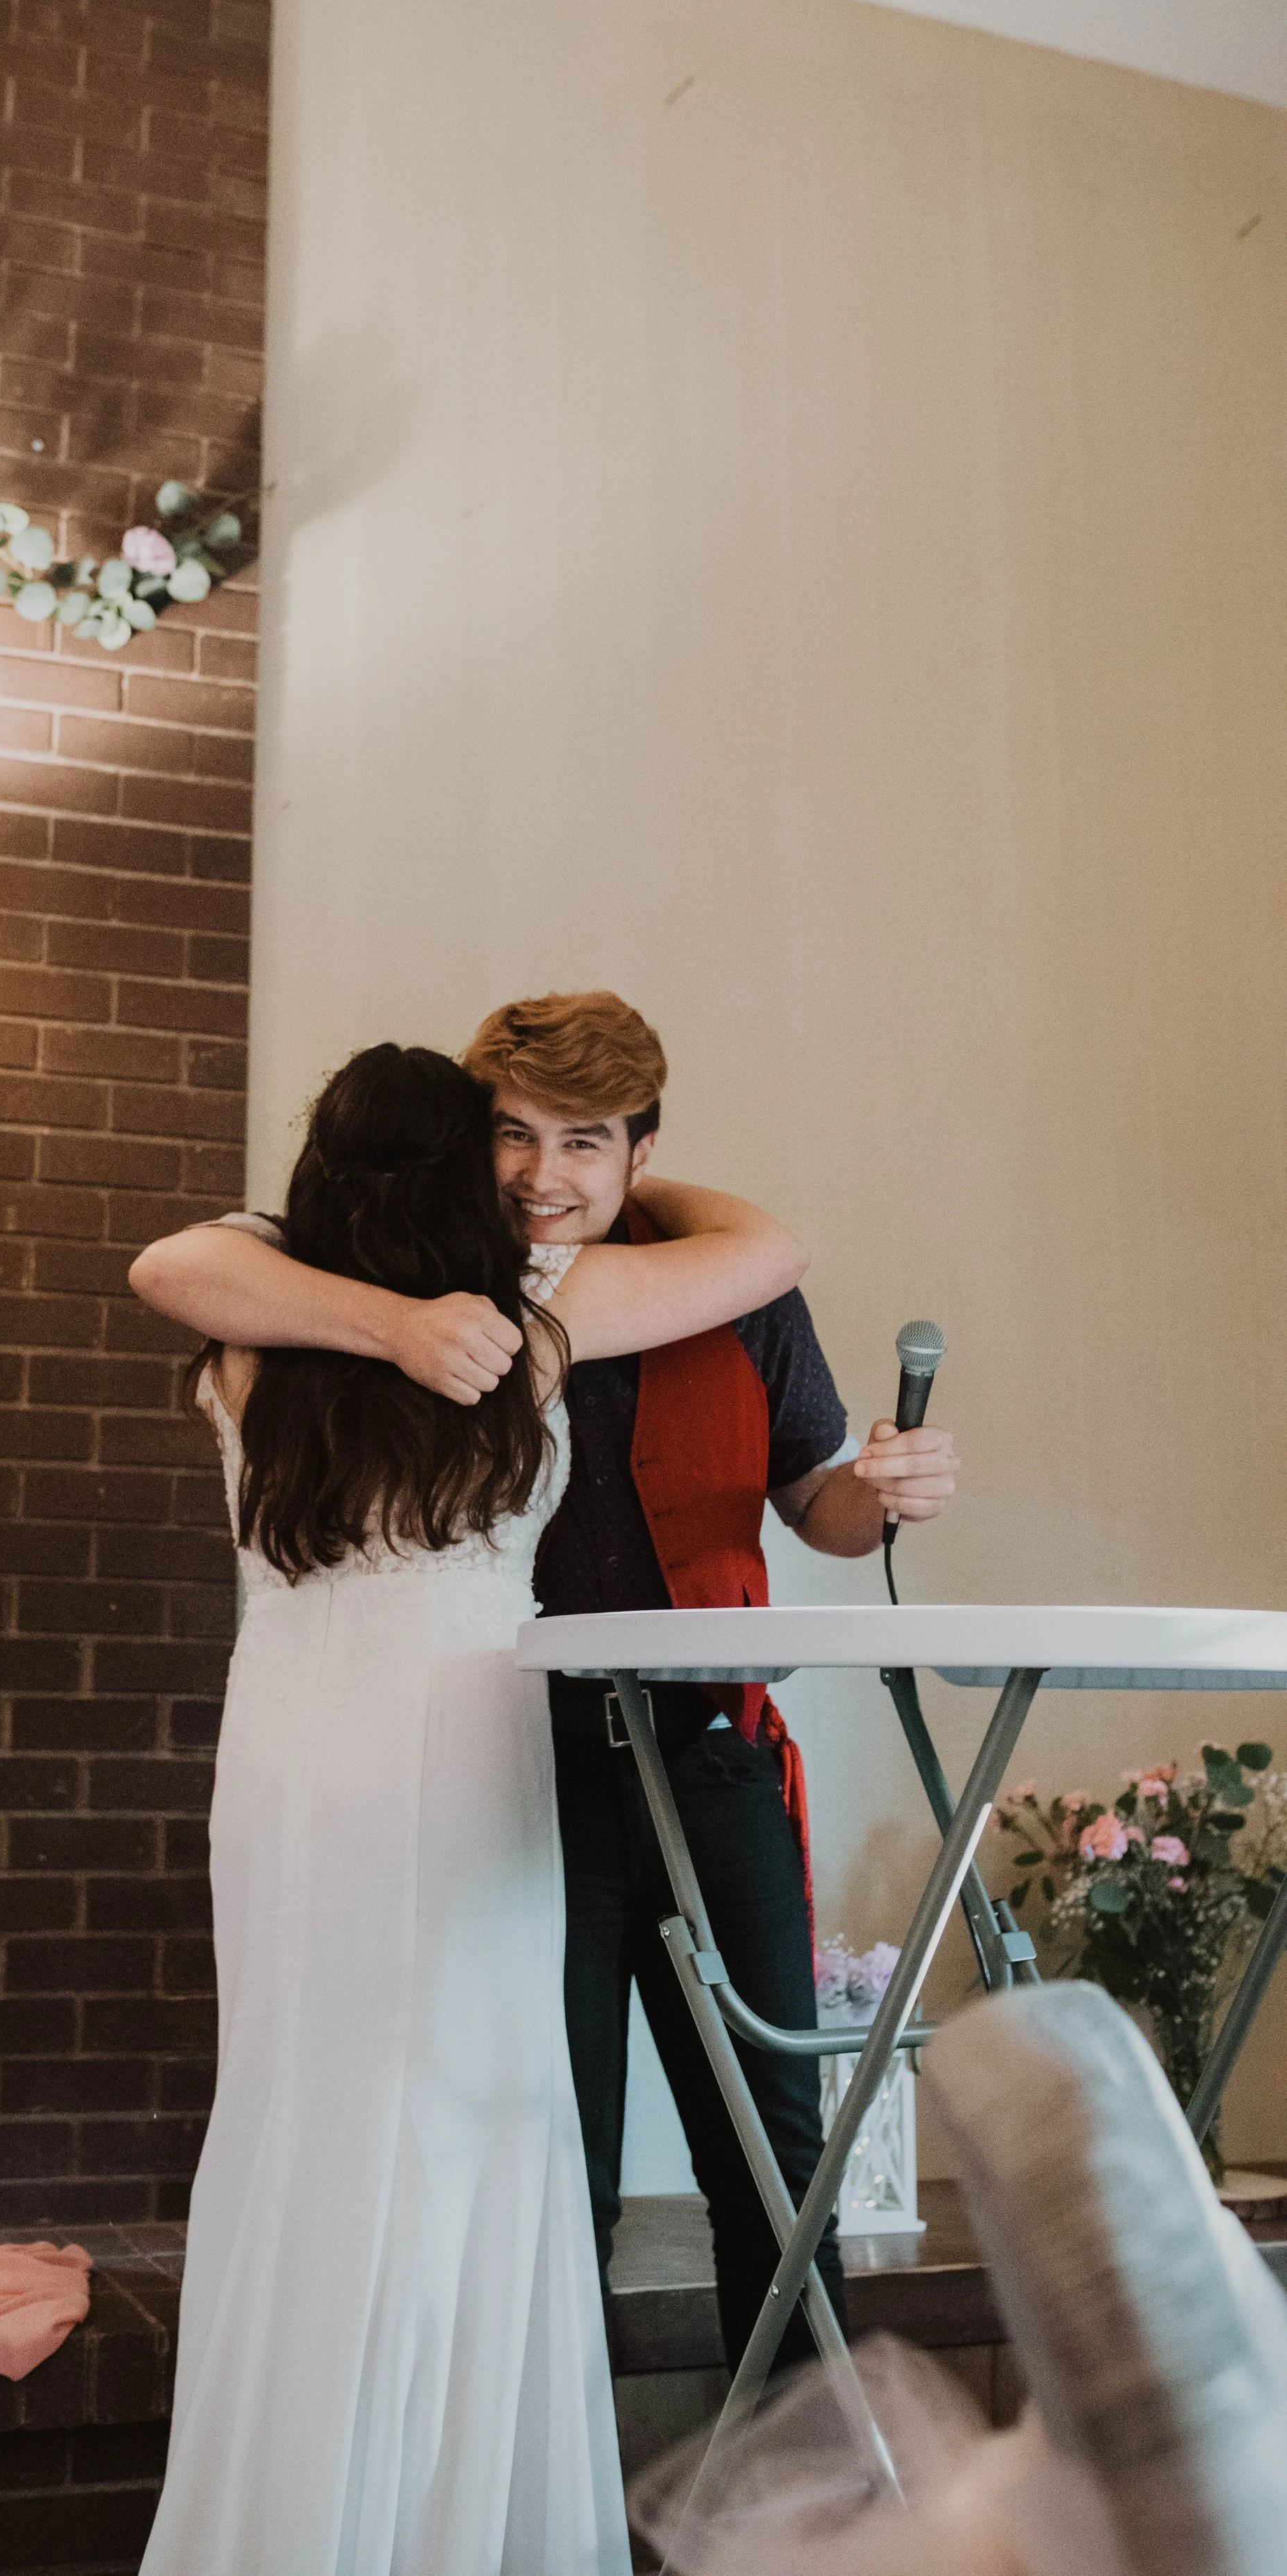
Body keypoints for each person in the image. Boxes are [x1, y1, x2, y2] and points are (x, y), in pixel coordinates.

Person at [132, 992, 959, 2379]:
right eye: (509, 1136)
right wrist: (394, 1324)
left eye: (585, 1142)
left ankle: (795, 2499)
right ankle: (531, 2471)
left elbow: (811, 1500)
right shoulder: (429, 1286)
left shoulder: (727, 1293)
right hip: (518, 1773)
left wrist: (879, 1499)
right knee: (538, 2146)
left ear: (642, 1150)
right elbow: (179, 1267)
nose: (541, 1175)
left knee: (771, 2151)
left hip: (712, 1756)